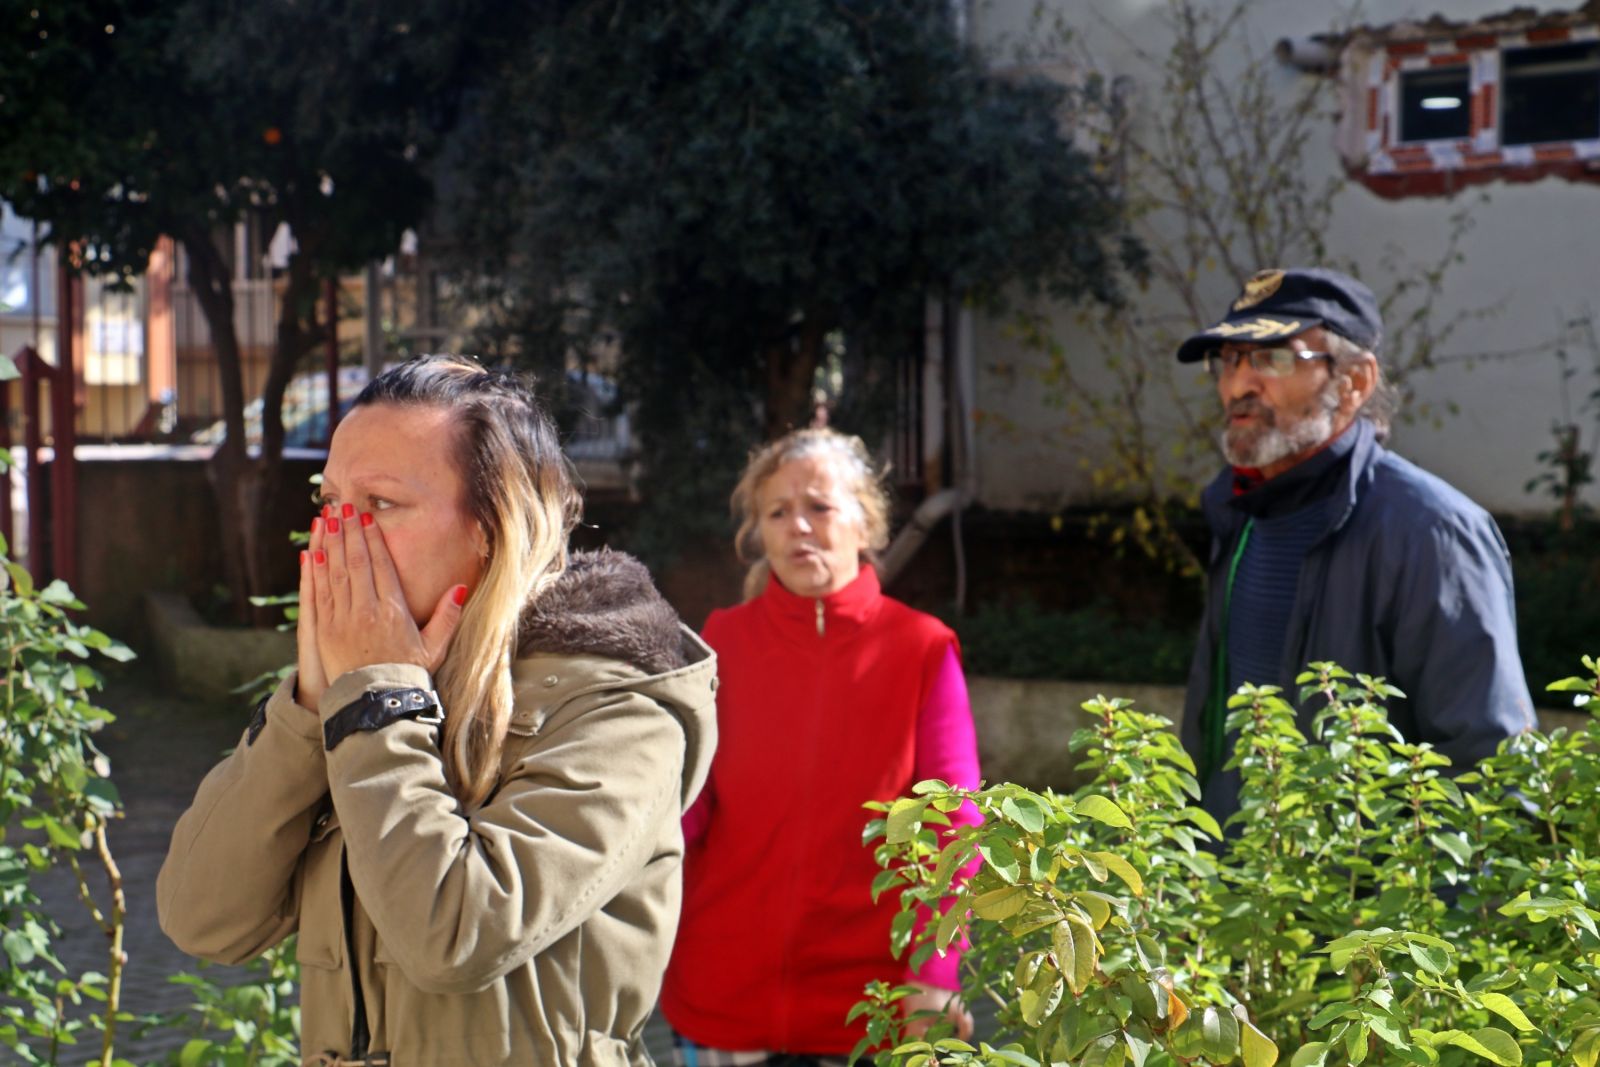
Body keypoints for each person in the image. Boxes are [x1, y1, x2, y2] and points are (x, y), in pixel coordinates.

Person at [158, 355, 718, 1065]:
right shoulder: (362, 696)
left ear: (492, 527)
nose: (338, 535)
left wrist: (377, 701)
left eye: (381, 504)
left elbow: (455, 935)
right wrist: (306, 708)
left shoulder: (617, 711)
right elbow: (201, 918)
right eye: (329, 501)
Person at [660, 428, 981, 1065]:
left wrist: (936, 976)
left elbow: (955, 825)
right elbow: (681, 807)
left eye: (820, 507)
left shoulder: (921, 648)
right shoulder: (721, 641)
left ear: (865, 524)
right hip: (723, 991)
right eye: (778, 512)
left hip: (875, 1005)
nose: (798, 527)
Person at [1175, 267, 1533, 822]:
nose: (1239, 385)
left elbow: (1489, 771)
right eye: (1229, 360)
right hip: (1230, 900)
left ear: (1355, 382)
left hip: (1359, 904)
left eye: (1273, 358)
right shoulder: (1239, 514)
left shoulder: (1432, 533)